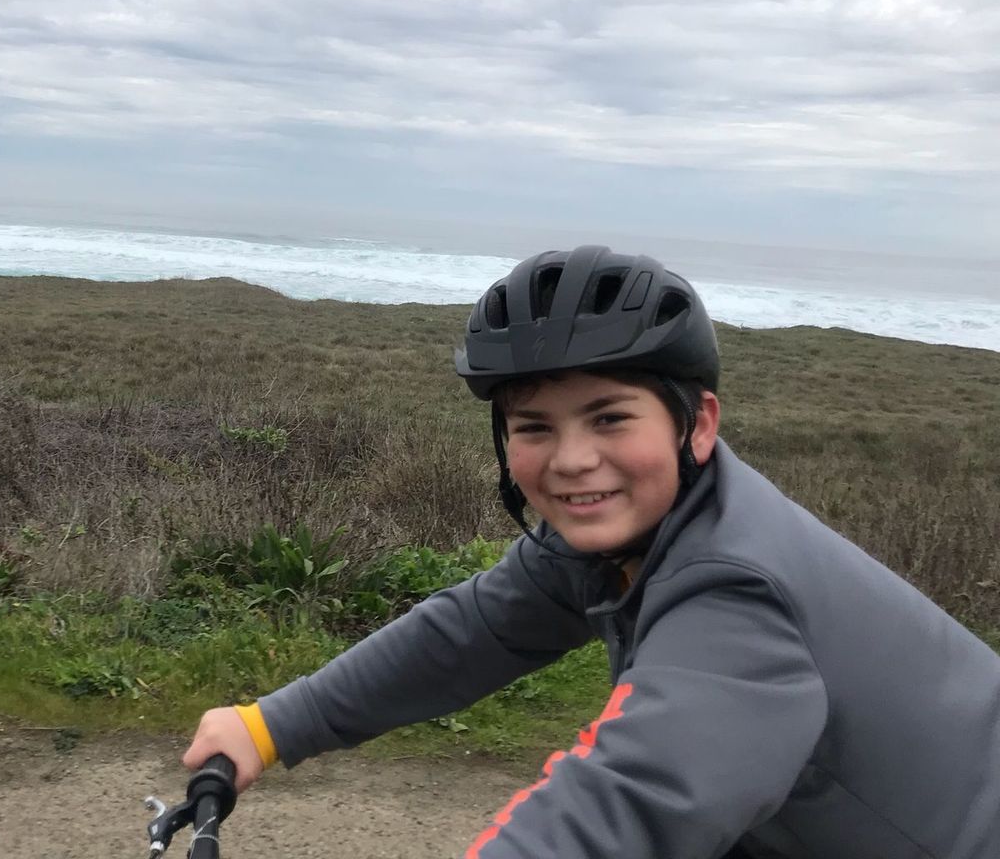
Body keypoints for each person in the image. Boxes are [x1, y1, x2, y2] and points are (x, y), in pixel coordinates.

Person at [181, 245, 1000, 858]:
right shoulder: (627, 536)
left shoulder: (734, 590)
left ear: (697, 425)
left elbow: (631, 802)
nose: (572, 461)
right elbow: (470, 633)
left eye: (609, 418)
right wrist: (269, 725)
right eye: (535, 427)